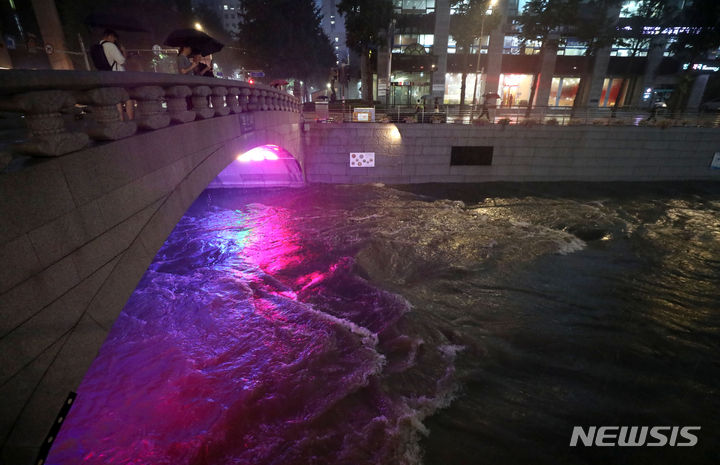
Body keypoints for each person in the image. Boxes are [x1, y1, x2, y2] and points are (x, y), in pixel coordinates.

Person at [101, 29, 134, 120]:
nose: (114, 40)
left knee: (117, 100)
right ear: (110, 36)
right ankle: (131, 121)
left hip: (107, 76)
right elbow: (122, 61)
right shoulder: (110, 46)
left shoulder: (100, 46)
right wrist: (124, 52)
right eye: (114, 38)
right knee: (128, 99)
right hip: (118, 76)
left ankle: (121, 121)